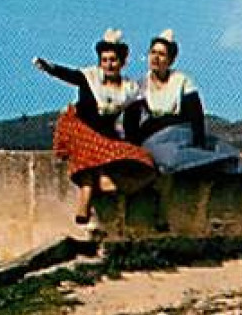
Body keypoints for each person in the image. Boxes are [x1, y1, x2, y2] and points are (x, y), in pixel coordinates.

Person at [33, 29, 155, 224]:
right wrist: (50, 68)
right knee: (89, 144)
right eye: (104, 60)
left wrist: (133, 144)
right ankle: (86, 195)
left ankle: (96, 184)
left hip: (105, 132)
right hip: (78, 125)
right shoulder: (90, 77)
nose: (108, 64)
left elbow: (133, 120)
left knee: (140, 159)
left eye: (113, 60)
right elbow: (69, 75)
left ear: (122, 62)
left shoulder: (129, 89)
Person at [124, 29, 242, 176]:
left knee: (212, 144)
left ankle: (234, 165)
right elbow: (131, 124)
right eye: (153, 53)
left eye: (161, 54)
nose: (155, 58)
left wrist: (198, 143)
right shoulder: (139, 85)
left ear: (170, 60)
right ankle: (221, 163)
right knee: (168, 158)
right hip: (155, 138)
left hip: (180, 132)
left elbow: (196, 115)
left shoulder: (182, 81)